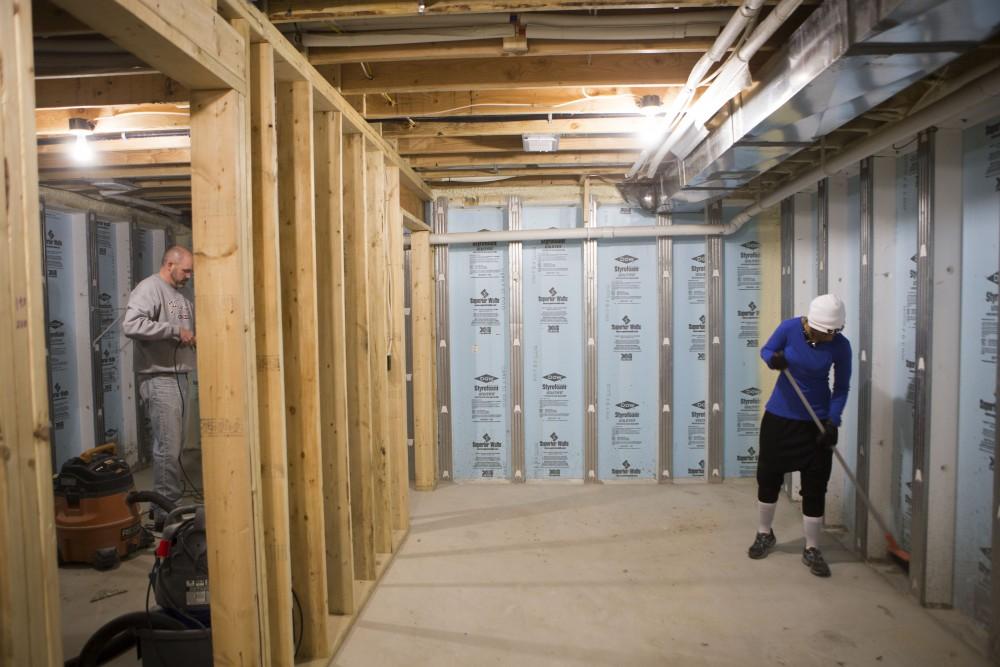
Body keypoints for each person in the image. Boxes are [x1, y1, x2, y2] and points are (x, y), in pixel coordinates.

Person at [748, 294, 852, 577]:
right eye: (827, 332)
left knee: (815, 485)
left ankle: (812, 548)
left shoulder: (841, 347)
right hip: (780, 418)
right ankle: (764, 533)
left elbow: (841, 388)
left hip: (816, 422)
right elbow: (767, 351)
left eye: (836, 331)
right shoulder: (789, 328)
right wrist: (775, 361)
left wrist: (833, 421)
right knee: (768, 477)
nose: (832, 336)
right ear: (813, 326)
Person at [123, 246, 196, 531]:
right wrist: (173, 330)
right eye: (186, 270)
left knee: (174, 446)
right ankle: (168, 511)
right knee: (168, 446)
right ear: (169, 264)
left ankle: (161, 506)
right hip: (158, 377)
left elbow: (188, 326)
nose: (189, 276)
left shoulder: (185, 293)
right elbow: (132, 324)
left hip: (180, 375)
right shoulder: (150, 289)